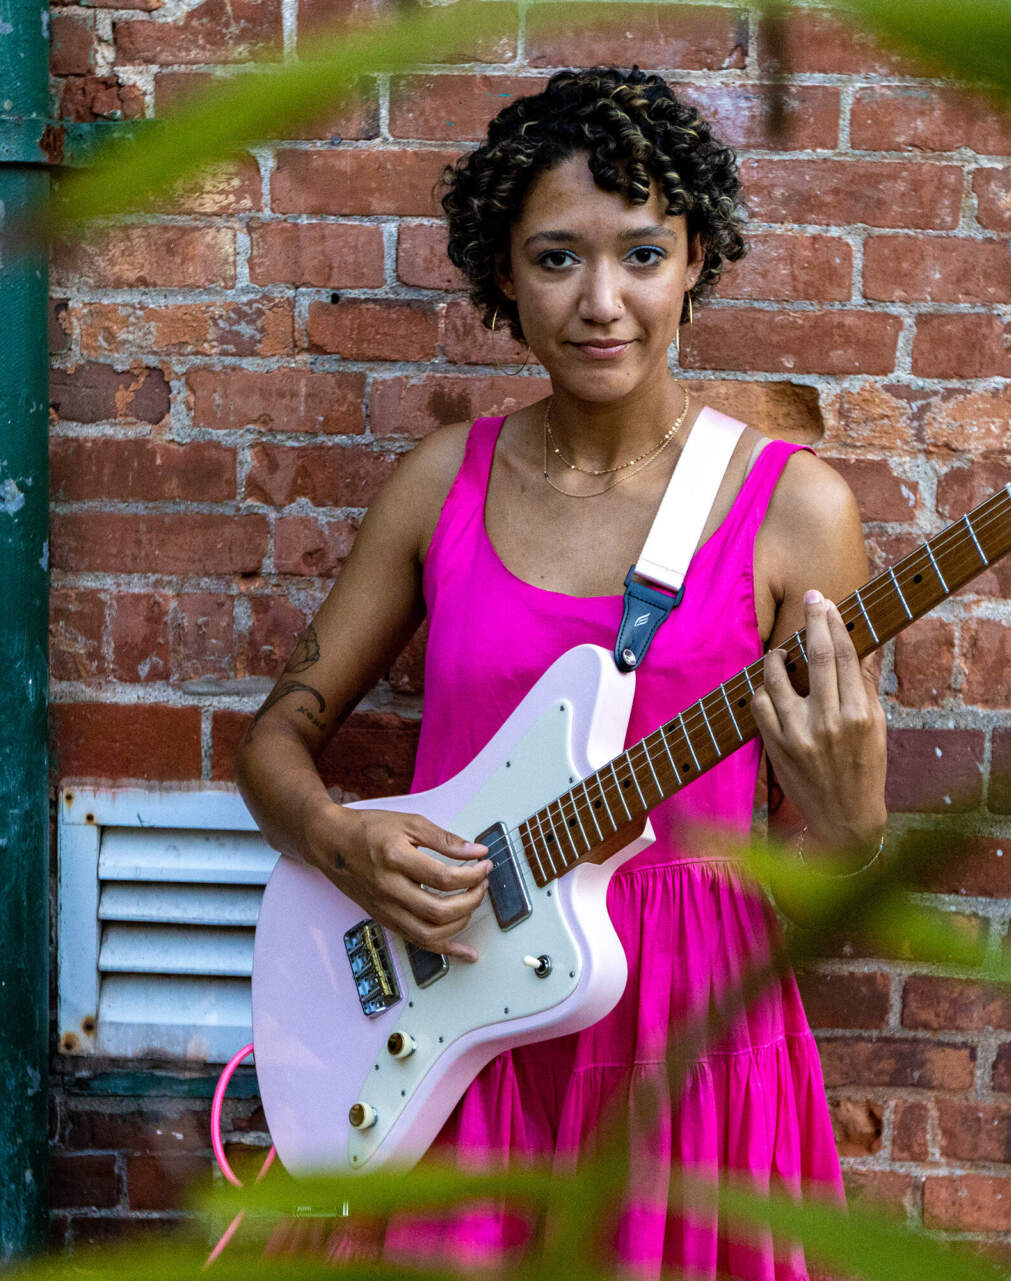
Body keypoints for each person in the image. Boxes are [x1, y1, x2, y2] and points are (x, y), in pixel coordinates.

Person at [235, 65, 889, 1279]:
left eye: (643, 254)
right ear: (501, 274)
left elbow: (810, 891)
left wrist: (849, 835)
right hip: (459, 1016)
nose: (603, 301)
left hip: (689, 1047)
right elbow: (274, 744)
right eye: (556, 259)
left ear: (697, 260)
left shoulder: (793, 513)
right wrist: (345, 847)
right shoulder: (443, 483)